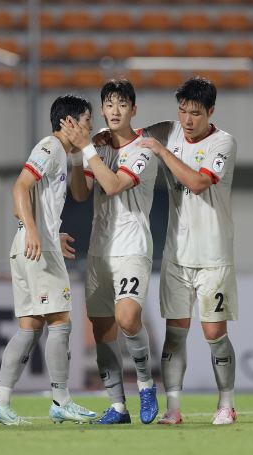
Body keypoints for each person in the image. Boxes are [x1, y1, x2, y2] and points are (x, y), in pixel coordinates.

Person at [0, 94, 97, 426]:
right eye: (87, 119)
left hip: (31, 245)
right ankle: (61, 400)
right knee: (60, 321)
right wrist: (34, 232)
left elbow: (77, 194)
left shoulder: (63, 153)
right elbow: (20, 188)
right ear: (70, 122)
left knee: (30, 328)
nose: (91, 126)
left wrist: (47, 231)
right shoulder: (50, 147)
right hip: (35, 247)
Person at [137, 76, 239, 425]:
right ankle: (174, 408)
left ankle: (226, 403)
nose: (186, 120)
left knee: (214, 334)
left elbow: (197, 183)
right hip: (177, 255)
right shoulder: (168, 129)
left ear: (211, 111)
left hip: (213, 256)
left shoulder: (223, 143)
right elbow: (134, 139)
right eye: (182, 111)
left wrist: (163, 151)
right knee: (175, 333)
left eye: (195, 113)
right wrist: (103, 139)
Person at [61, 78, 160, 425]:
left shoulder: (144, 149)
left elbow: (114, 185)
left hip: (132, 247)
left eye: (122, 104)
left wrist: (87, 147)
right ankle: (118, 407)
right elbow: (80, 193)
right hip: (100, 248)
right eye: (109, 104)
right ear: (102, 109)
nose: (115, 110)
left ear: (134, 110)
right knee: (102, 330)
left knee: (128, 318)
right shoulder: (96, 146)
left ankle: (147, 384)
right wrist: (77, 157)